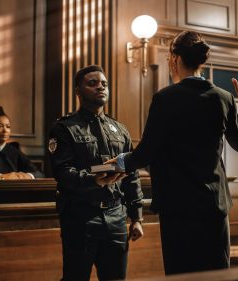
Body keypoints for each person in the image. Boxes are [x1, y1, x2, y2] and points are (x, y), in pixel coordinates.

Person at [107, 30, 238, 275]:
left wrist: (118, 163)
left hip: (178, 208)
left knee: (181, 274)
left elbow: (145, 153)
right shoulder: (224, 98)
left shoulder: (165, 99)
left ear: (175, 58)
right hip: (213, 206)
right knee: (217, 274)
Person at [48, 65, 144, 281]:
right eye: (92, 83)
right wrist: (94, 180)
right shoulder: (65, 128)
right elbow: (62, 173)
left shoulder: (120, 130)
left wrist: (137, 217)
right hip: (80, 217)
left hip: (116, 217)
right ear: (78, 91)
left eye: (104, 84)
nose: (100, 87)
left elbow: (132, 176)